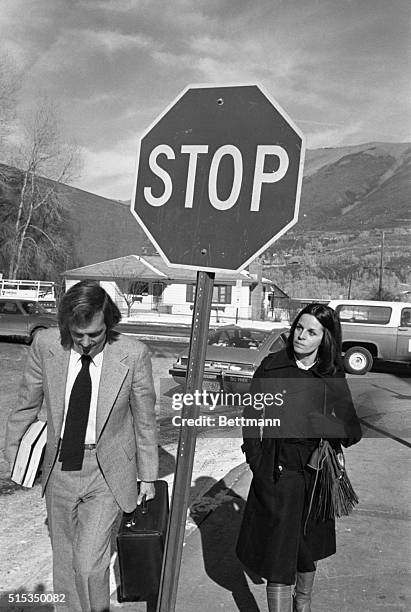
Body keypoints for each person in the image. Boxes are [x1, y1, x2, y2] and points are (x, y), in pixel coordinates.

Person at [6, 280, 159, 612]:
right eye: (79, 336)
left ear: (109, 322)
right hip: (59, 465)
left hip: (108, 472)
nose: (87, 343)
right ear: (66, 326)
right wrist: (14, 458)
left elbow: (145, 419)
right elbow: (24, 405)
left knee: (89, 564)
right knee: (65, 563)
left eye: (96, 334)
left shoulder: (133, 354)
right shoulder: (46, 345)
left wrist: (148, 476)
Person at [236, 303, 362, 612]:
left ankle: (302, 603)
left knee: (306, 550)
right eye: (299, 328)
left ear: (325, 338)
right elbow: (252, 415)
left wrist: (328, 425)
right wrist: (256, 461)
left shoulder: (331, 373)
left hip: (317, 475)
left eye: (312, 332)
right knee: (279, 554)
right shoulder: (272, 367)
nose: (301, 336)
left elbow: (352, 429)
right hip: (278, 472)